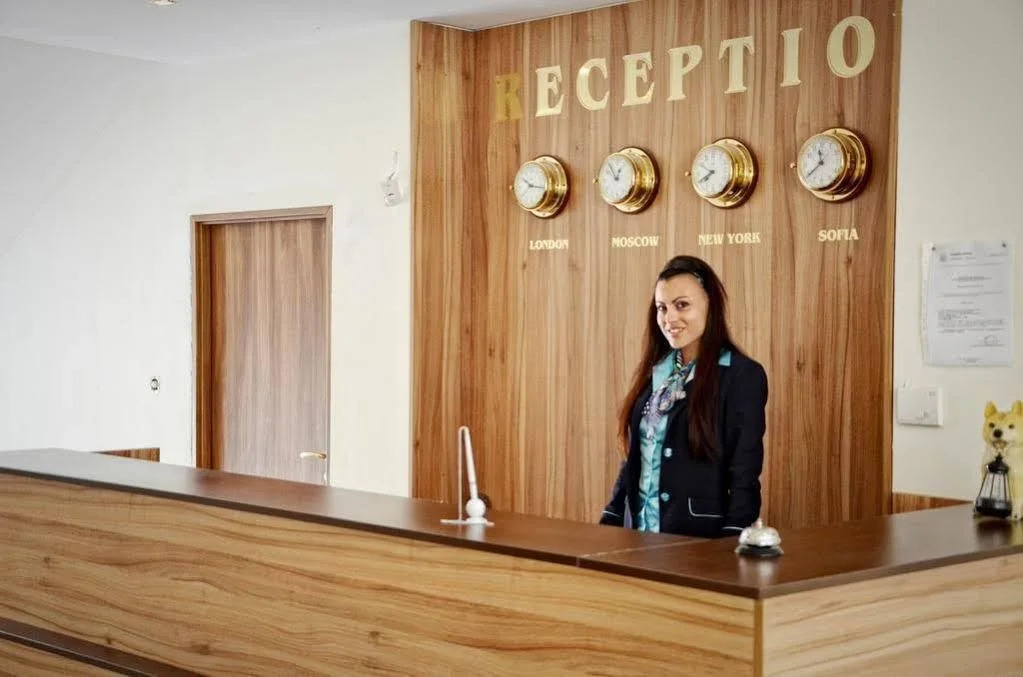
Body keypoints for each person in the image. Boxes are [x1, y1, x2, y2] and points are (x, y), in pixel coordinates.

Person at [599, 255, 768, 538]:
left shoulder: (741, 375)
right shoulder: (657, 372)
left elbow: (744, 471)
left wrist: (732, 537)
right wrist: (612, 515)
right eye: (662, 308)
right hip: (638, 535)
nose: (669, 318)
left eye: (682, 305)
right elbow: (638, 455)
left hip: (697, 539)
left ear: (711, 305)